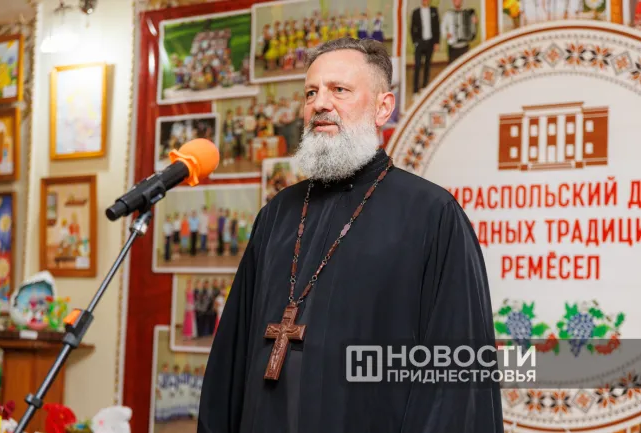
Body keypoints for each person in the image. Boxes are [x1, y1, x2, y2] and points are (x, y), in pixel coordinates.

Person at [198, 37, 503, 433]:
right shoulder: (277, 214)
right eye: (311, 93)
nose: (320, 104)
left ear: (383, 107)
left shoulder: (432, 214)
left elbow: (457, 374)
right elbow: (232, 355)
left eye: (339, 89)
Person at [410, 0, 440, 93]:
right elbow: (412, 28)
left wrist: (437, 42)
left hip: (430, 42)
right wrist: (415, 42)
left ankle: (425, 87)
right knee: (417, 65)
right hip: (419, 42)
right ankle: (415, 89)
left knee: (427, 65)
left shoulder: (434, 10)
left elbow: (437, 26)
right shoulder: (416, 12)